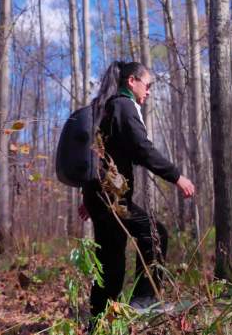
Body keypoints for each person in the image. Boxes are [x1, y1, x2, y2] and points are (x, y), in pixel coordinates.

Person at [80, 61, 195, 320]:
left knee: (110, 262)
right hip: (111, 199)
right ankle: (143, 301)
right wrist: (177, 176)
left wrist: (89, 196)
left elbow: (99, 154)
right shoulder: (123, 106)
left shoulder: (106, 108)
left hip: (102, 196)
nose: (149, 91)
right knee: (153, 233)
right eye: (148, 85)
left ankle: (99, 321)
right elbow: (141, 148)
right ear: (132, 81)